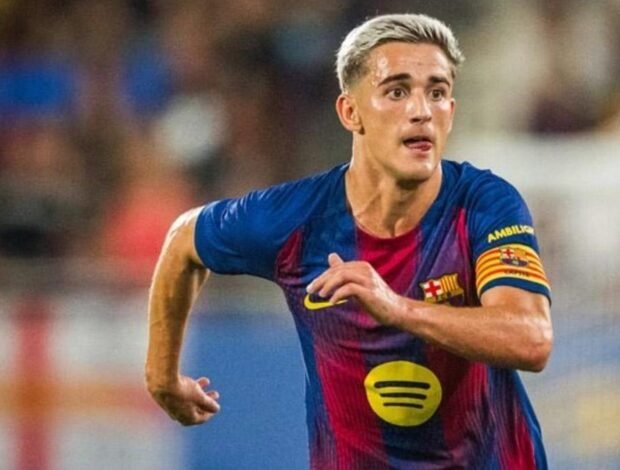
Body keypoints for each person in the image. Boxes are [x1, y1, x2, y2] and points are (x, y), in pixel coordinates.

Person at [145, 13, 553, 469]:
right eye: (397, 91)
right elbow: (184, 241)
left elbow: (531, 338)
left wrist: (396, 308)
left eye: (437, 93)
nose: (421, 110)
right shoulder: (297, 219)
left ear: (451, 112)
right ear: (350, 112)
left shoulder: (483, 204)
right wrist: (162, 378)